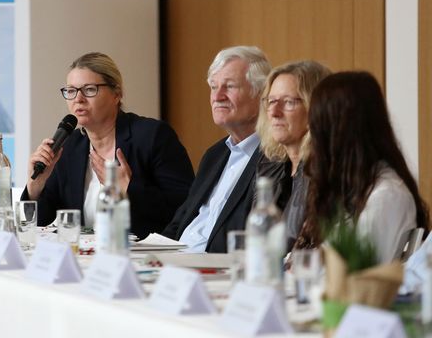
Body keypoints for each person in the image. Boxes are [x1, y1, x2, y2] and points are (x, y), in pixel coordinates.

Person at [22, 52, 194, 239]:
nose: (78, 99)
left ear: (116, 94)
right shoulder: (70, 147)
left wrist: (128, 189)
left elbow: (185, 209)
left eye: (89, 89)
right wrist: (35, 188)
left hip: (144, 257)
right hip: (85, 258)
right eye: (71, 91)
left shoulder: (152, 136)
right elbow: (40, 222)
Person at [296, 71, 430, 263]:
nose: (310, 131)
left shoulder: (387, 195)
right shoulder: (350, 187)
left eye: (317, 124)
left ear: (337, 132)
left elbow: (357, 274)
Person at [162, 45, 271, 253]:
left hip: (217, 271)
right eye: (213, 87)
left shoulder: (273, 158)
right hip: (176, 266)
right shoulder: (215, 154)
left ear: (261, 95)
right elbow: (179, 223)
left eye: (229, 87)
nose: (217, 96)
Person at [255, 60, 331, 251]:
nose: (274, 112)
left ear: (315, 107)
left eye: (288, 102)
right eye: (271, 101)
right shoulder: (270, 165)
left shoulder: (327, 171)